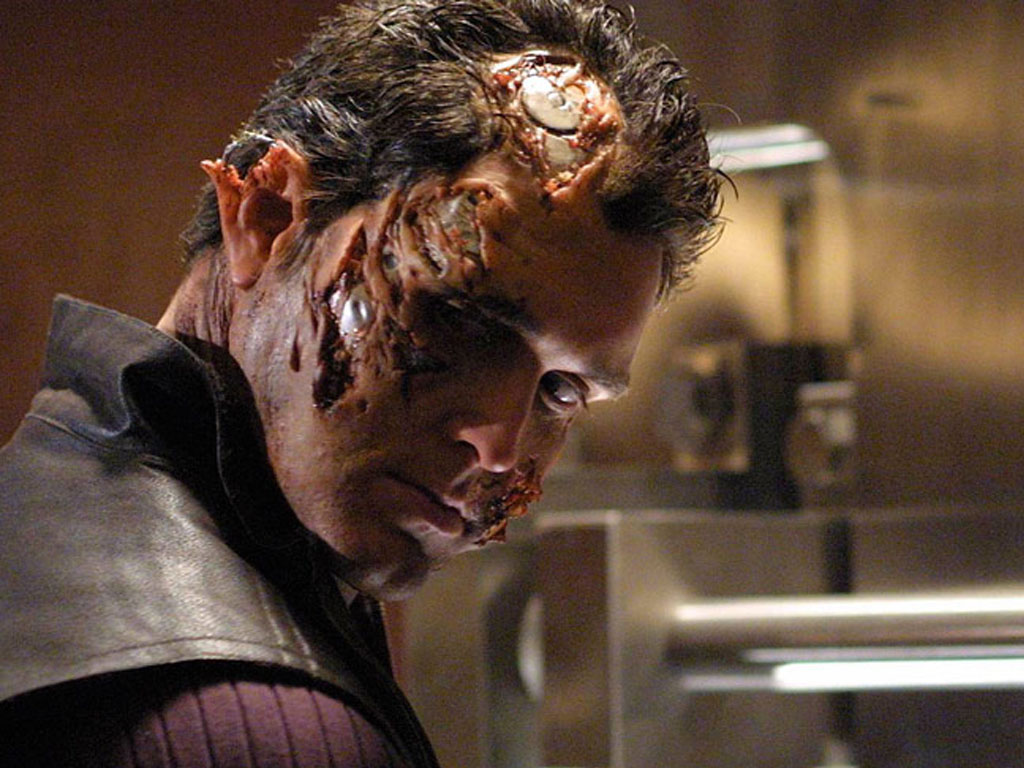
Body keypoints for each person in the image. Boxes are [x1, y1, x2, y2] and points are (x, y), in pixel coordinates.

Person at [0, 0, 720, 765]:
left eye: (563, 391)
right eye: (460, 318)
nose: (502, 447)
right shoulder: (267, 731)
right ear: (267, 217)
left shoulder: (34, 521)